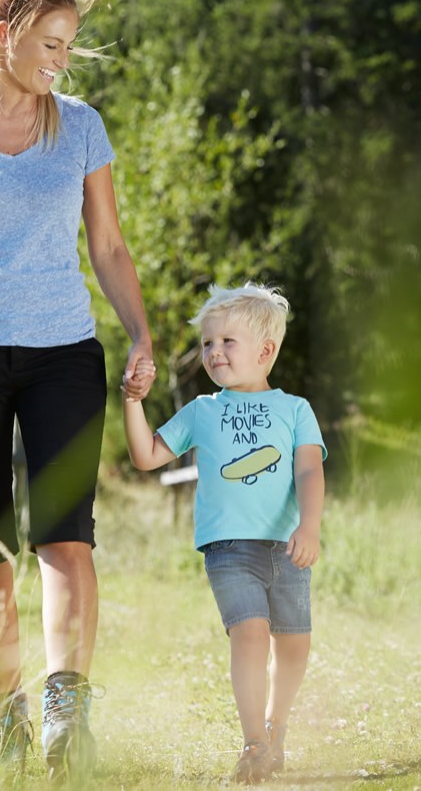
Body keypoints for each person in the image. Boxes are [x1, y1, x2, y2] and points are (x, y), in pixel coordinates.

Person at [0, 0, 156, 778]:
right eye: (49, 43)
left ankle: (64, 717)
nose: (61, 60)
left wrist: (141, 333)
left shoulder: (79, 124)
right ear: (1, 36)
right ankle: (3, 711)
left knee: (66, 537)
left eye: (70, 46)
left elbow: (107, 246)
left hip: (63, 354)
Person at [123, 282, 326, 784]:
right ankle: (254, 741)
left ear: (265, 351)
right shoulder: (201, 411)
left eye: (226, 342)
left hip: (286, 545)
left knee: (295, 644)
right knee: (250, 636)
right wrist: (132, 401)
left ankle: (277, 728)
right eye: (208, 344)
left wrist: (310, 524)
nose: (213, 352)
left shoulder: (295, 409)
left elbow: (307, 472)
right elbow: (147, 456)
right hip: (228, 550)